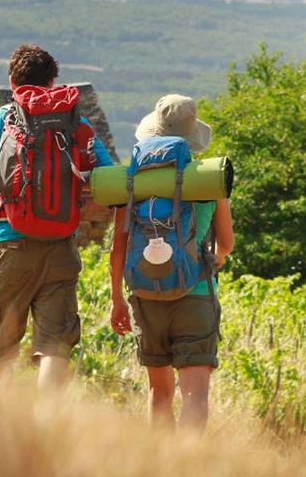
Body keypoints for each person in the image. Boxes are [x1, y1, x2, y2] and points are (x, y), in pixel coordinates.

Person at [0, 43, 114, 392]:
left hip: (10, 243)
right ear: (52, 81)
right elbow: (107, 178)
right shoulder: (76, 124)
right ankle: (47, 424)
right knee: (54, 346)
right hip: (60, 247)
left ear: (11, 80)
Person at [108, 94, 234, 431]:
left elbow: (117, 248)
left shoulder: (133, 183)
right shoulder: (209, 180)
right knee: (195, 395)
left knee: (158, 393)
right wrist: (215, 258)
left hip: (145, 296)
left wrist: (117, 299)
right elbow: (226, 243)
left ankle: (159, 465)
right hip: (195, 295)